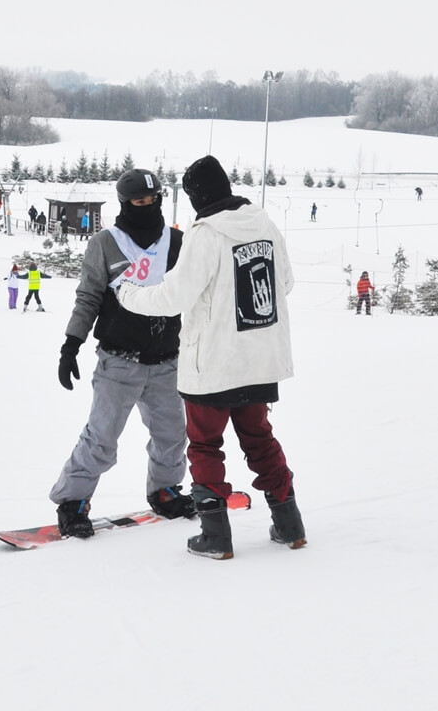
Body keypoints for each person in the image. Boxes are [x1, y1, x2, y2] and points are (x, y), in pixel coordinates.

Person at [113, 155, 304, 559]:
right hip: (259, 361)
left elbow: (174, 297)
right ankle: (290, 525)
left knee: (204, 445)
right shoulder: (263, 223)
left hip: (214, 367)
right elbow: (284, 282)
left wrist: (128, 294)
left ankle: (215, 536)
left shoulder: (205, 233)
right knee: (260, 439)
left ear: (197, 196)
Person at [50, 169, 193, 539]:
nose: (146, 207)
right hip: (119, 362)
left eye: (152, 200)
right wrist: (71, 344)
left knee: (172, 435)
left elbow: (193, 299)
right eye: (138, 202)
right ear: (124, 204)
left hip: (165, 361)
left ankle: (164, 490)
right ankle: (73, 502)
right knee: (101, 438)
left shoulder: (176, 242)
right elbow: (89, 296)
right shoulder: (106, 243)